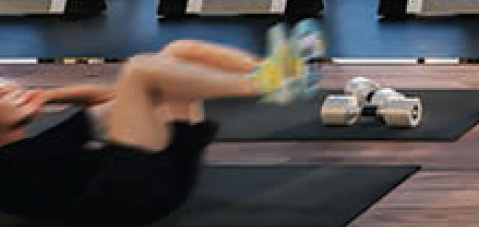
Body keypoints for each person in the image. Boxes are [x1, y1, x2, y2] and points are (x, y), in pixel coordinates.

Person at [0, 23, 323, 227]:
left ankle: (282, 72)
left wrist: (52, 94)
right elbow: (122, 100)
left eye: (13, 88)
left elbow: (114, 101)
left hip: (153, 178)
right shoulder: (10, 164)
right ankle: (268, 84)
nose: (15, 93)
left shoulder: (36, 150)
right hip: (128, 199)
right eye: (3, 96)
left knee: (179, 52)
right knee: (141, 72)